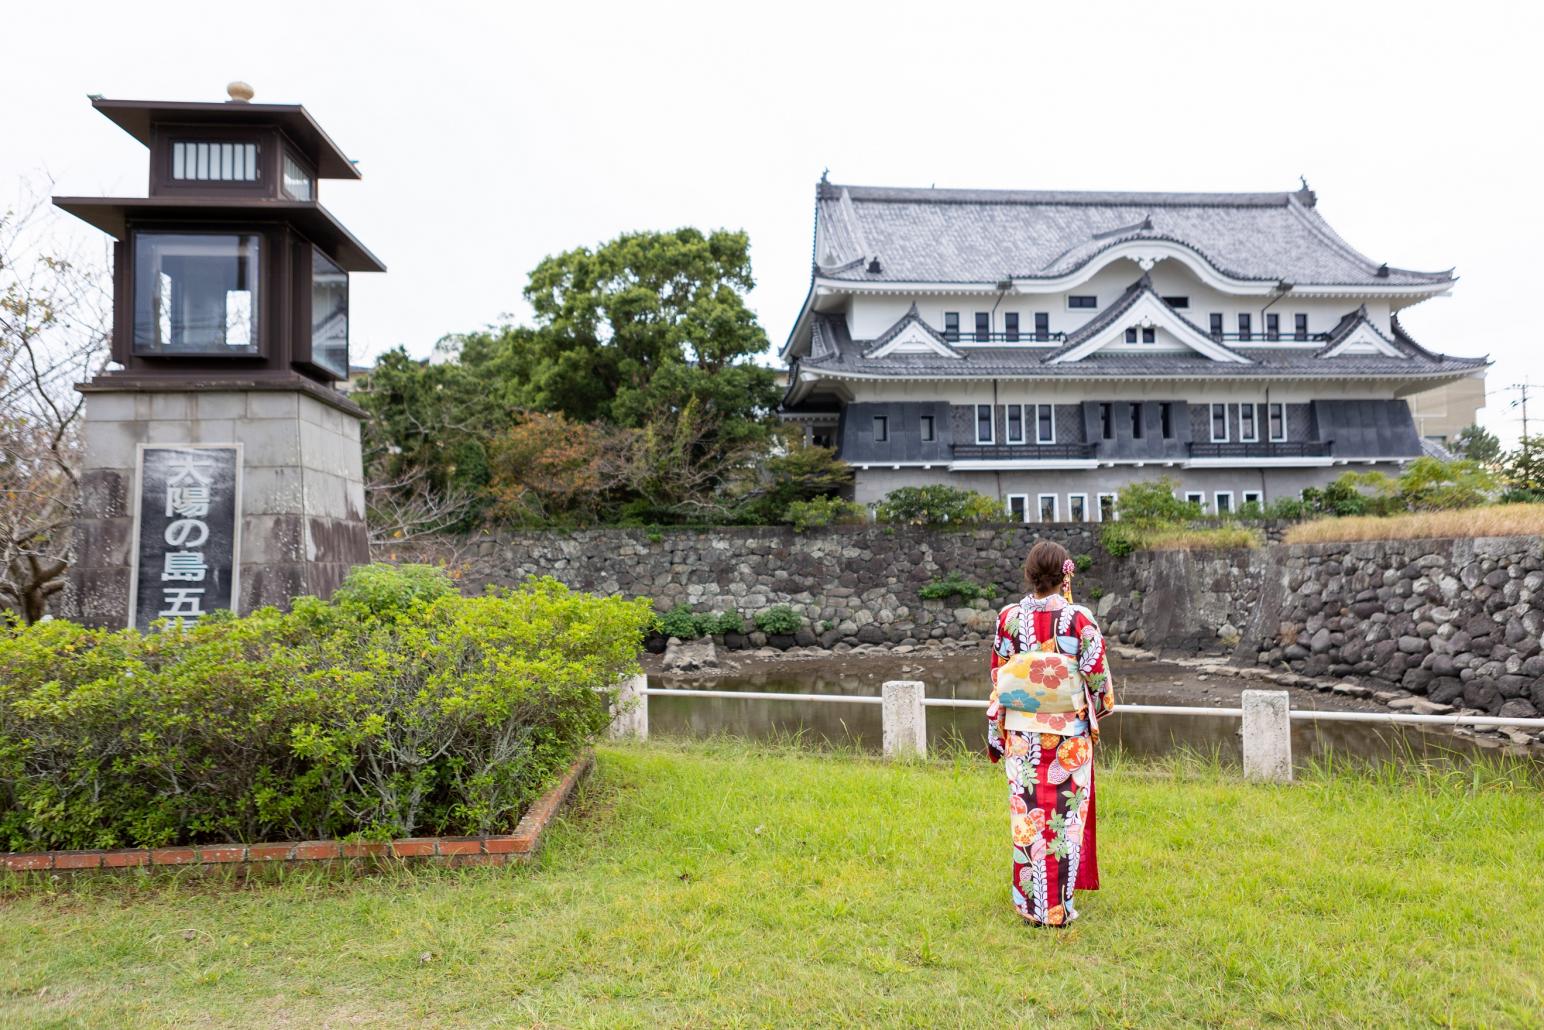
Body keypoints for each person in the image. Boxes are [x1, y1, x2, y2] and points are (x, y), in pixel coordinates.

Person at [986, 539, 1115, 927]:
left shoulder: (1008, 617)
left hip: (1022, 737)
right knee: (1064, 821)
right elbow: (1096, 675)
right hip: (1068, 740)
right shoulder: (1079, 619)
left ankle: (1030, 906)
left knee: (1027, 817)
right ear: (1065, 575)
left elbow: (1000, 675)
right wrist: (1098, 704)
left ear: (1030, 575)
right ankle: (1058, 907)